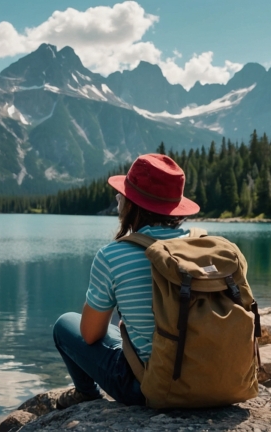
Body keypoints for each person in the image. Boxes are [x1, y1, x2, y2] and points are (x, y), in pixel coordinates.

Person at [52, 153, 200, 408]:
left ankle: (86, 394)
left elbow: (89, 335)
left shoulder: (113, 256)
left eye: (123, 194)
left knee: (65, 325)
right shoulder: (201, 246)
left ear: (133, 204)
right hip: (206, 377)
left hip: (148, 386)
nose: (118, 197)